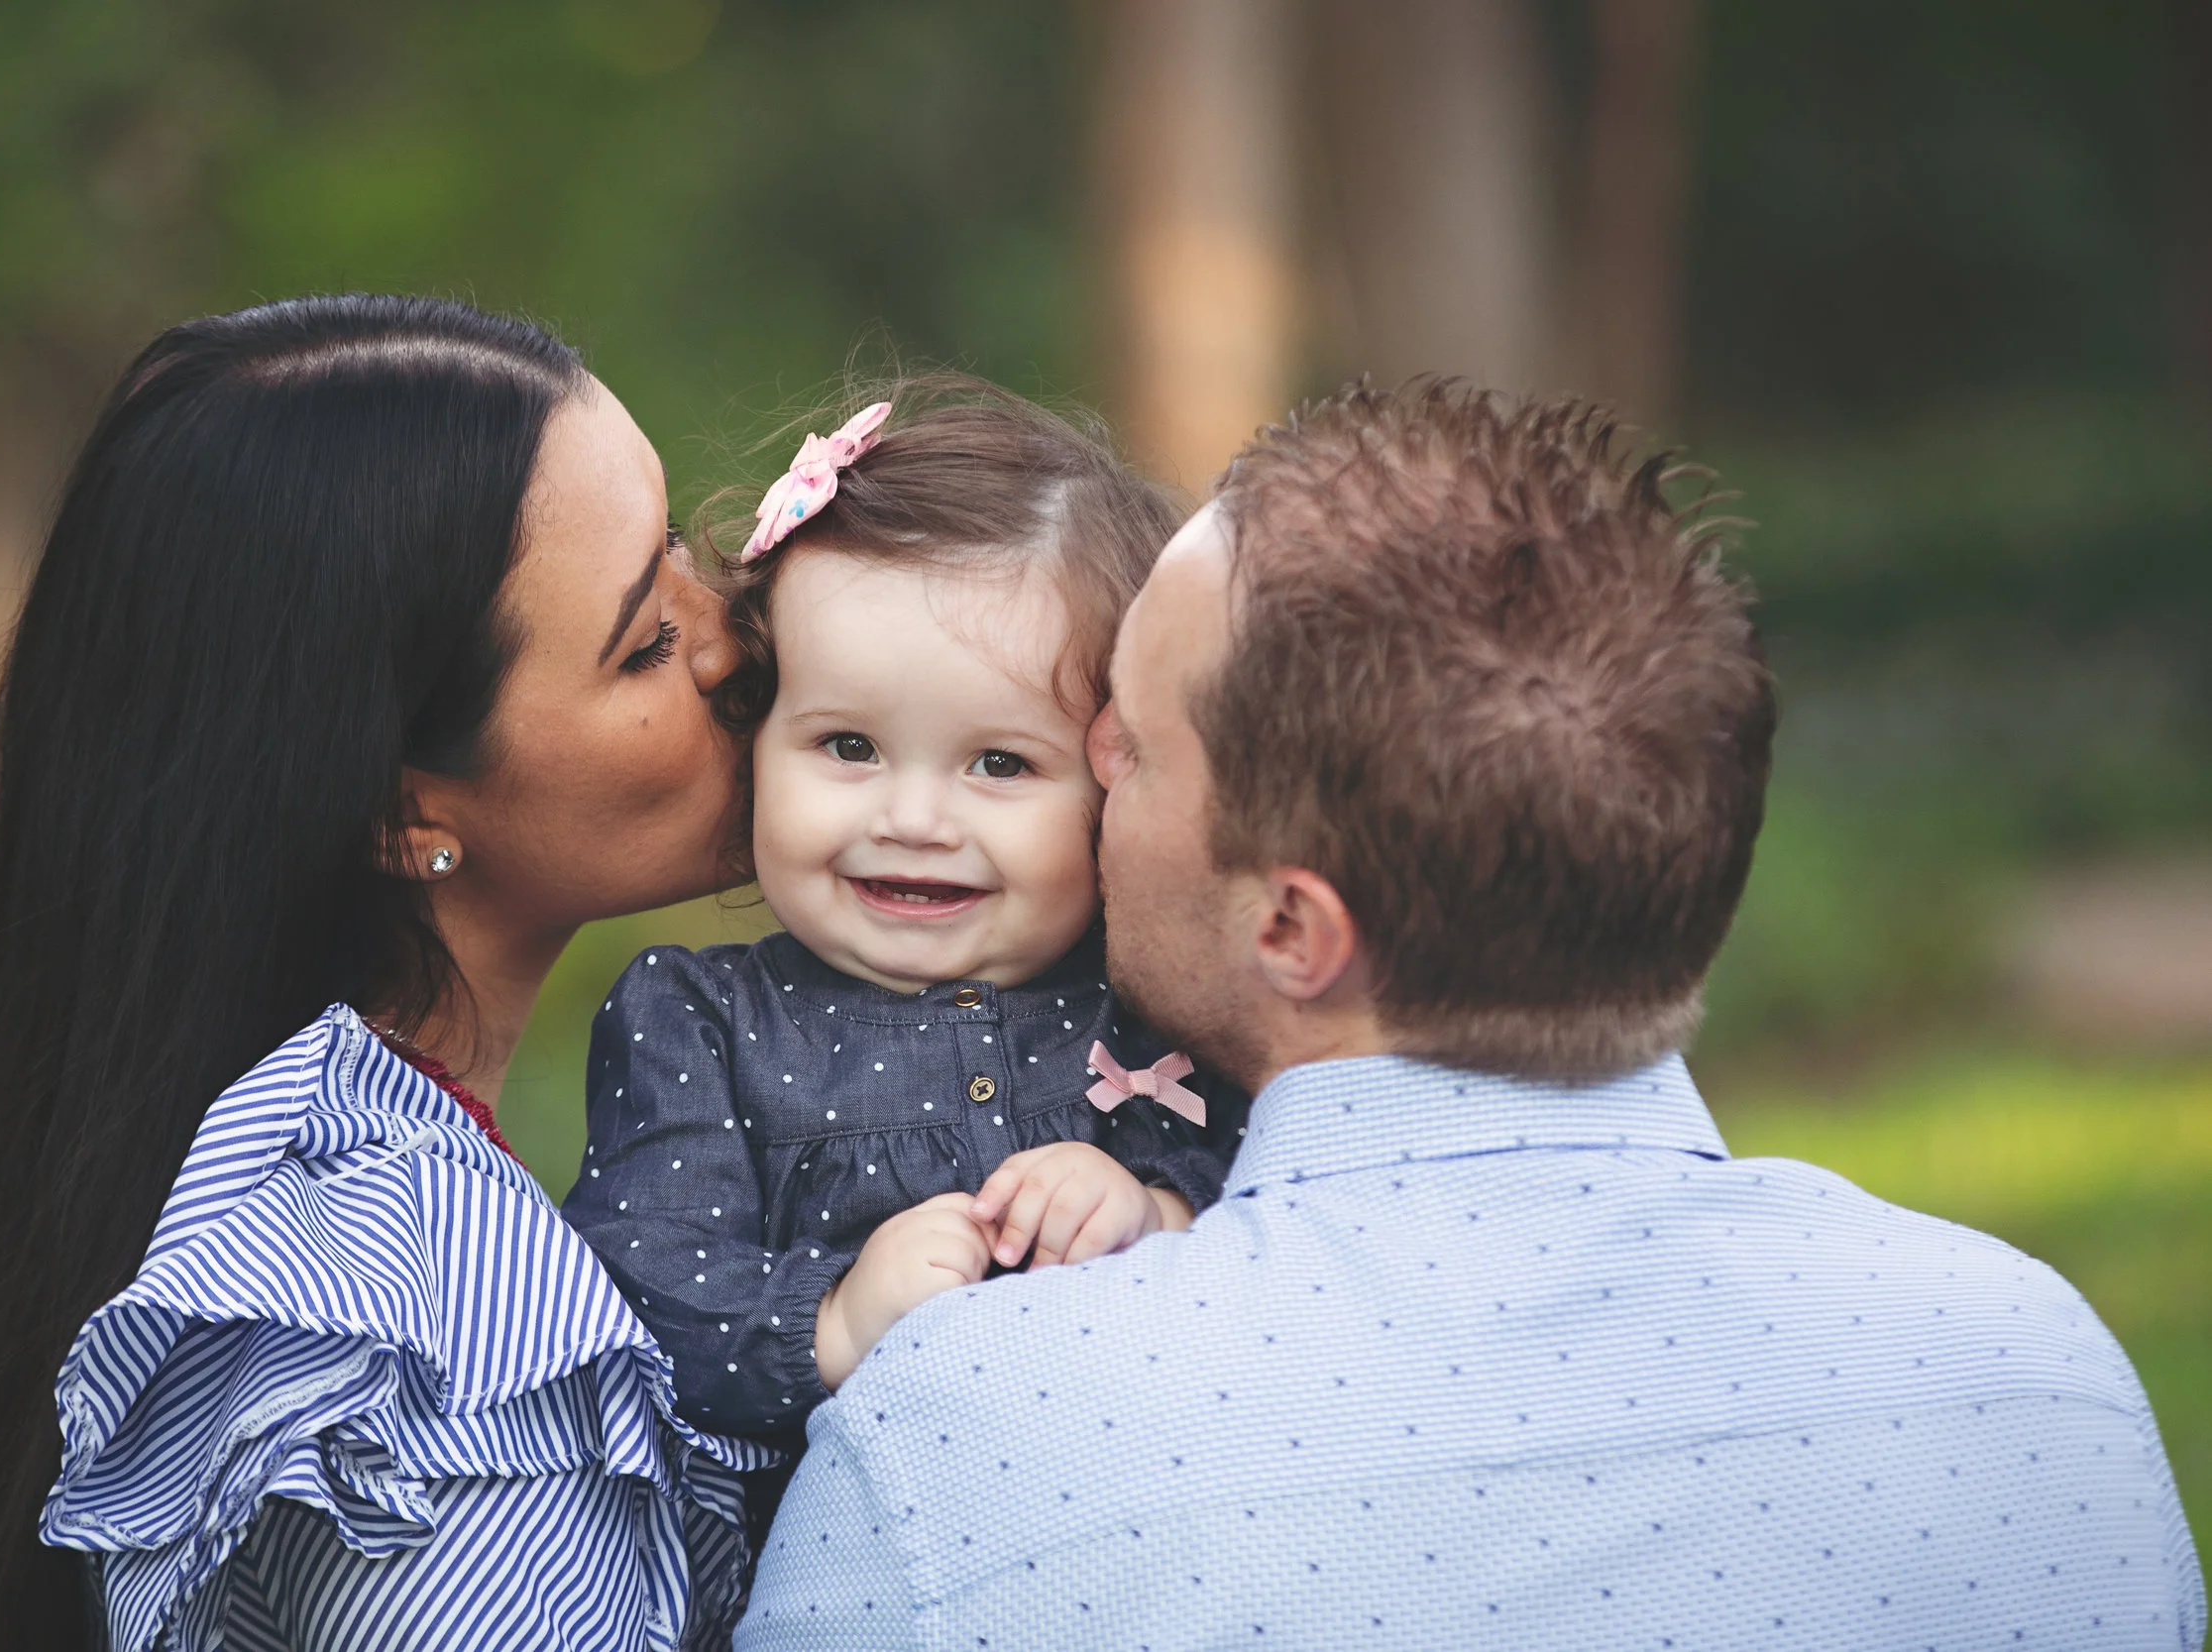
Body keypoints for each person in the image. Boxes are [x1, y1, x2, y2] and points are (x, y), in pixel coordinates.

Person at [738, 380, 2206, 1650]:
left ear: (1292, 928)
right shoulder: (2041, 1381)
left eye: (1136, 734)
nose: (1094, 752)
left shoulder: (971, 1437)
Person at [0, 295, 770, 1652]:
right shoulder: (416, 1348)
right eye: (646, 641)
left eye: (679, 543)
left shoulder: (44, 1227)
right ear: (398, 811)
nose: (734, 632)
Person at [560, 379, 1247, 1531]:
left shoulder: (1155, 990)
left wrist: (1158, 1209)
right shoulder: (704, 1023)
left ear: (1115, 778)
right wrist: (833, 1316)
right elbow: (629, 1286)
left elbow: (1304, 1194)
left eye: (999, 764)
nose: (915, 818)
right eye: (849, 745)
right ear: (756, 739)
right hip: (847, 1567)